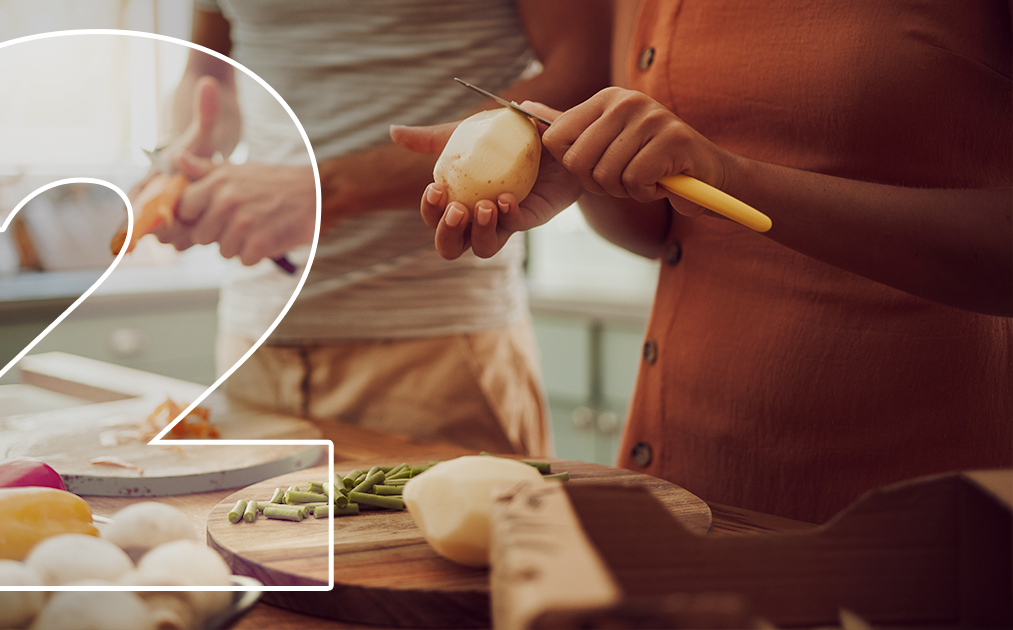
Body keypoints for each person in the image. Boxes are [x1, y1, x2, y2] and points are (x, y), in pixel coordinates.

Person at [394, 0, 1013, 523]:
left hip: (911, 511)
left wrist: (734, 177)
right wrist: (588, 173)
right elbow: (666, 231)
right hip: (687, 488)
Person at [149, 1, 611, 456]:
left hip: (436, 355)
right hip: (253, 345)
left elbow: (585, 74)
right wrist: (181, 157)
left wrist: (325, 190)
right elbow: (209, 73)